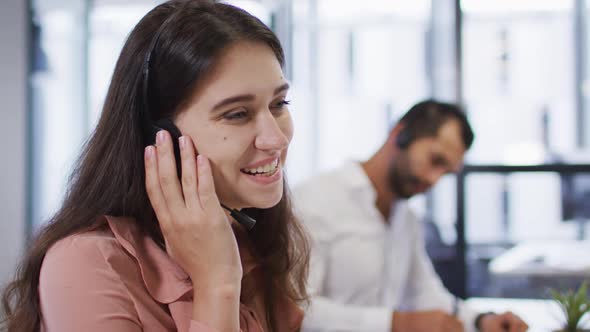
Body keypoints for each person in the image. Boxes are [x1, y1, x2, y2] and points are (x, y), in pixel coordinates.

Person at [1, 1, 310, 331]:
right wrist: (216, 285)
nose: (275, 139)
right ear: (158, 135)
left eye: (279, 104)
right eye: (237, 114)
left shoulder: (248, 236)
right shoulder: (84, 265)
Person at [294, 100, 528, 332]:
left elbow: (425, 294)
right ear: (400, 134)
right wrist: (396, 324)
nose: (434, 180)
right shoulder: (316, 200)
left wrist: (481, 321)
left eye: (445, 172)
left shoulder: (406, 218)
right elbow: (294, 311)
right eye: (435, 160)